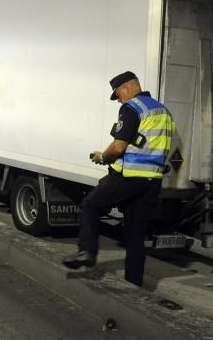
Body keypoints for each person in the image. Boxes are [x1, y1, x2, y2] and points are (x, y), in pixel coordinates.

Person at [62, 71, 176, 287]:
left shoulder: (132, 107)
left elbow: (119, 146)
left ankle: (86, 252)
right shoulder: (163, 111)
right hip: (152, 182)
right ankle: (134, 286)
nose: (119, 100)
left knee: (90, 204)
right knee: (134, 237)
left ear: (127, 87)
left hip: (130, 178)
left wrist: (103, 157)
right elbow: (148, 145)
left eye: (118, 94)